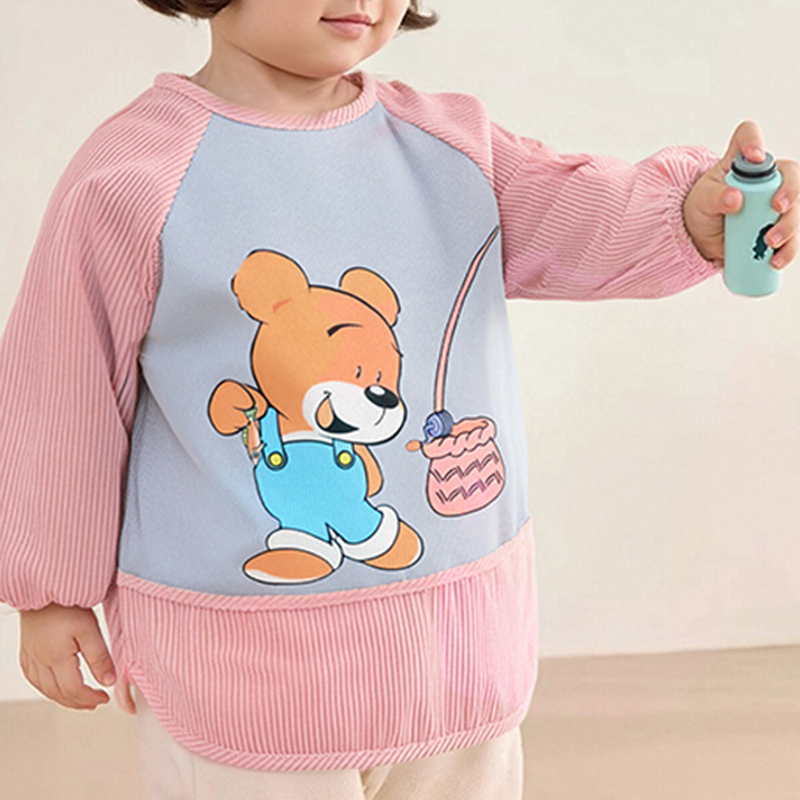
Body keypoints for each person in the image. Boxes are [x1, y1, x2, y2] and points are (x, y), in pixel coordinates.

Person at [1, 1, 797, 798]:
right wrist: (51, 593)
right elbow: (60, 389)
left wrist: (692, 216)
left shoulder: (449, 149)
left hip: (456, 656)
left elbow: (582, 217)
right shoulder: (138, 176)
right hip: (245, 676)